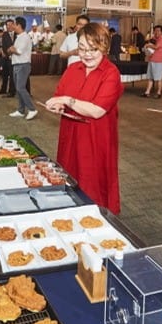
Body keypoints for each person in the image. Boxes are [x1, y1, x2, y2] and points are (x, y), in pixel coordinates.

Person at [45, 23, 124, 215]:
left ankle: (95, 218)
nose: (87, 54)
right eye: (82, 49)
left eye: (93, 49)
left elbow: (97, 110)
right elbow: (59, 96)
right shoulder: (73, 69)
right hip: (70, 135)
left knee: (93, 181)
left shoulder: (111, 73)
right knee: (69, 177)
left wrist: (66, 100)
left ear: (104, 47)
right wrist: (57, 104)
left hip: (96, 137)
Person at [8, 16, 38, 120]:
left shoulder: (25, 37)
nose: (12, 26)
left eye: (14, 24)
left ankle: (32, 109)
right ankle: (21, 110)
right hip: (17, 64)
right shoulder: (19, 36)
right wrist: (12, 49)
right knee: (18, 88)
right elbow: (14, 50)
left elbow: (18, 51)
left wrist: (12, 49)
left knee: (20, 87)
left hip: (23, 65)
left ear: (19, 25)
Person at [140, 25, 162, 98]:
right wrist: (147, 45)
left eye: (158, 31)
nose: (156, 32)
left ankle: (158, 93)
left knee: (158, 78)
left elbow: (156, 47)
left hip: (158, 61)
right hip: (151, 60)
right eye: (155, 31)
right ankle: (147, 92)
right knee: (150, 77)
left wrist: (148, 45)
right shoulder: (153, 38)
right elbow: (147, 44)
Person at [0, 18, 16, 97]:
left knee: (12, 75)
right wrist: (5, 52)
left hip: (14, 58)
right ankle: (3, 89)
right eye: (7, 25)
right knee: (4, 75)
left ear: (13, 25)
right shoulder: (5, 34)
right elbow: (3, 45)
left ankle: (11, 91)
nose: (9, 27)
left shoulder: (17, 34)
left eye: (10, 25)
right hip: (6, 58)